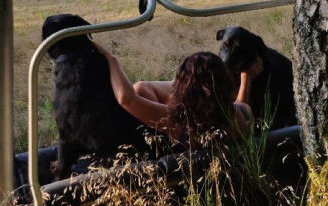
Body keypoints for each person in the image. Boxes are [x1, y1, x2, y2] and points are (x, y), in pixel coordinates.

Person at [93, 43, 263, 145]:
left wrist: (110, 58)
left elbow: (127, 99)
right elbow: (239, 105)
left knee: (141, 88)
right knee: (144, 88)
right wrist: (247, 78)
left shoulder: (180, 124)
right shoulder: (242, 115)